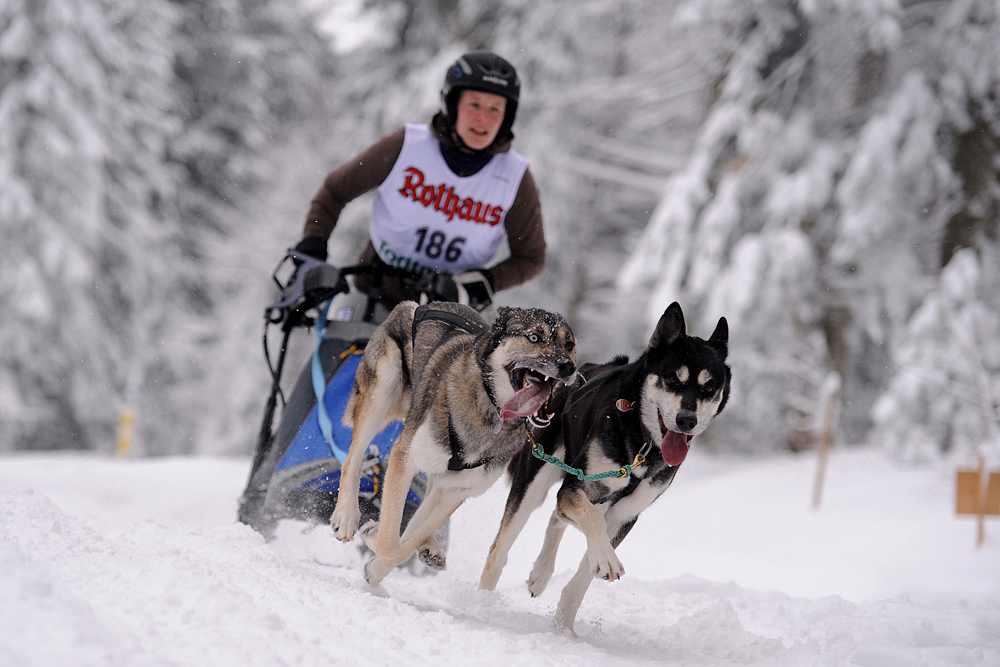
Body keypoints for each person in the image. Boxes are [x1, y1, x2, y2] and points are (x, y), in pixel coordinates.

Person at [293, 51, 545, 310]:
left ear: (506, 118)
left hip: (451, 313)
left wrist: (486, 281)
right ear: (452, 104)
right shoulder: (406, 147)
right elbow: (335, 191)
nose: (483, 119)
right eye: (474, 105)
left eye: (495, 109)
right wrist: (313, 245)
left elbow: (530, 257)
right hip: (375, 293)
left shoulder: (515, 177)